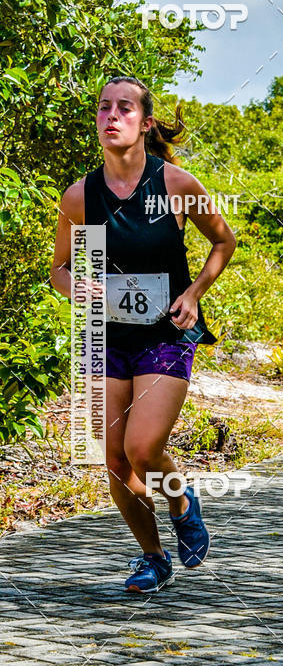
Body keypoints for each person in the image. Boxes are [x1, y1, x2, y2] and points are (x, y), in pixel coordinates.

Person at [50, 76, 236, 593]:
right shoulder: (80, 196)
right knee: (111, 457)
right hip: (104, 336)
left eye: (124, 109)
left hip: (165, 333)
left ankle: (180, 500)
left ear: (145, 122)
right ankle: (152, 557)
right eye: (104, 108)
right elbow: (59, 269)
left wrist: (195, 292)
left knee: (143, 447)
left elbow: (224, 241)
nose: (112, 116)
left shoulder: (175, 184)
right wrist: (77, 288)